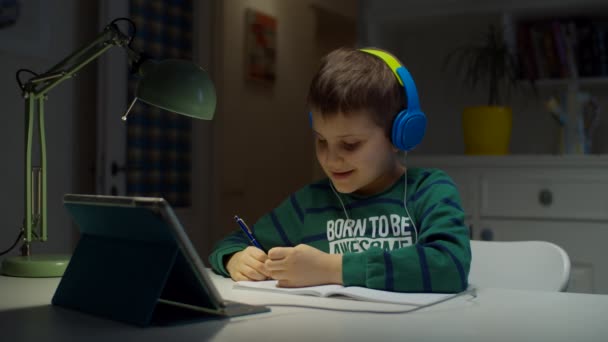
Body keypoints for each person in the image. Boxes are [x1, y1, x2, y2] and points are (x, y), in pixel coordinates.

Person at [208, 47, 470, 293]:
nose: (331, 160)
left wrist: (331, 269)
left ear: (399, 134)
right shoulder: (310, 202)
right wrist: (235, 259)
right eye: (321, 140)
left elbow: (449, 265)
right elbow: (231, 243)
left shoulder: (428, 191)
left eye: (350, 144)